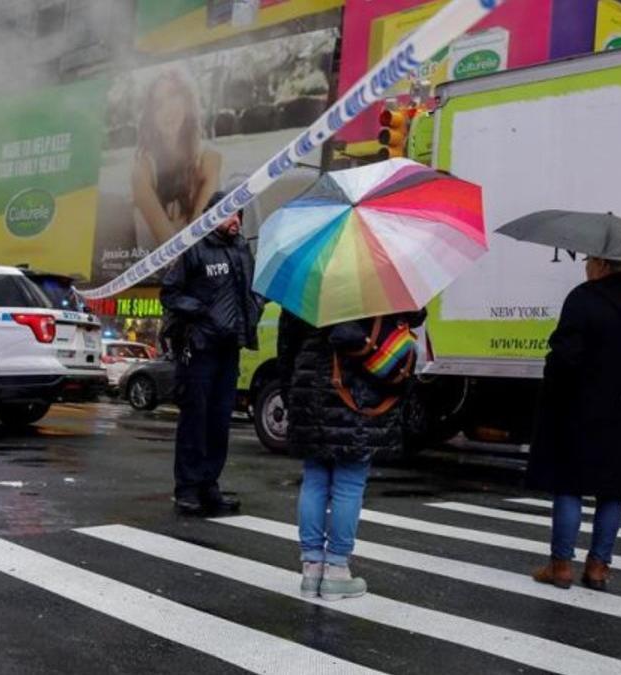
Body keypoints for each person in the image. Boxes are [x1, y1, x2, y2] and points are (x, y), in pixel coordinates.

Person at [529, 259, 621, 591]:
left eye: (589, 258)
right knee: (612, 491)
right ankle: (599, 568)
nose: (586, 263)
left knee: (570, 485)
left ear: (601, 262)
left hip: (580, 407)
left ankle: (560, 566)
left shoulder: (583, 298)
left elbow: (564, 359)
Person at [279, 307, 426, 601]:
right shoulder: (376, 284)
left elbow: (286, 348)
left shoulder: (308, 283)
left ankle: (311, 569)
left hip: (309, 391)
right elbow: (414, 316)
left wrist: (292, 391)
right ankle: (336, 571)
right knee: (349, 483)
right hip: (358, 392)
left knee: (314, 479)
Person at [160, 191, 261, 515]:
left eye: (239, 215)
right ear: (212, 216)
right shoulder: (194, 247)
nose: (236, 221)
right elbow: (169, 293)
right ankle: (187, 488)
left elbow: (251, 291)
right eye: (230, 214)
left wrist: (255, 309)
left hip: (229, 348)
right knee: (195, 419)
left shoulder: (242, 250)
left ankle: (209, 485)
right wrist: (201, 311)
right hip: (199, 347)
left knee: (219, 421)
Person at [132, 69, 223, 251]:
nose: (167, 110)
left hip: (195, 266)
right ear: (151, 116)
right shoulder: (143, 168)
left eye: (173, 96)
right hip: (153, 273)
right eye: (158, 104)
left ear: (187, 102)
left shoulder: (209, 159)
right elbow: (171, 250)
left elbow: (199, 237)